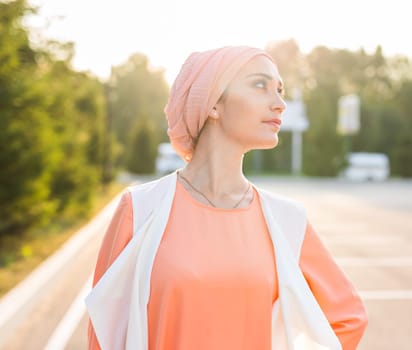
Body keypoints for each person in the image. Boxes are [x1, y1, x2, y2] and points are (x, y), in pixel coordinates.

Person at [86, 46, 368, 350]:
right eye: (261, 85)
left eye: (280, 90)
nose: (280, 104)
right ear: (213, 103)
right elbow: (104, 334)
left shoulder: (287, 220)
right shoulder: (140, 209)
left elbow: (348, 317)